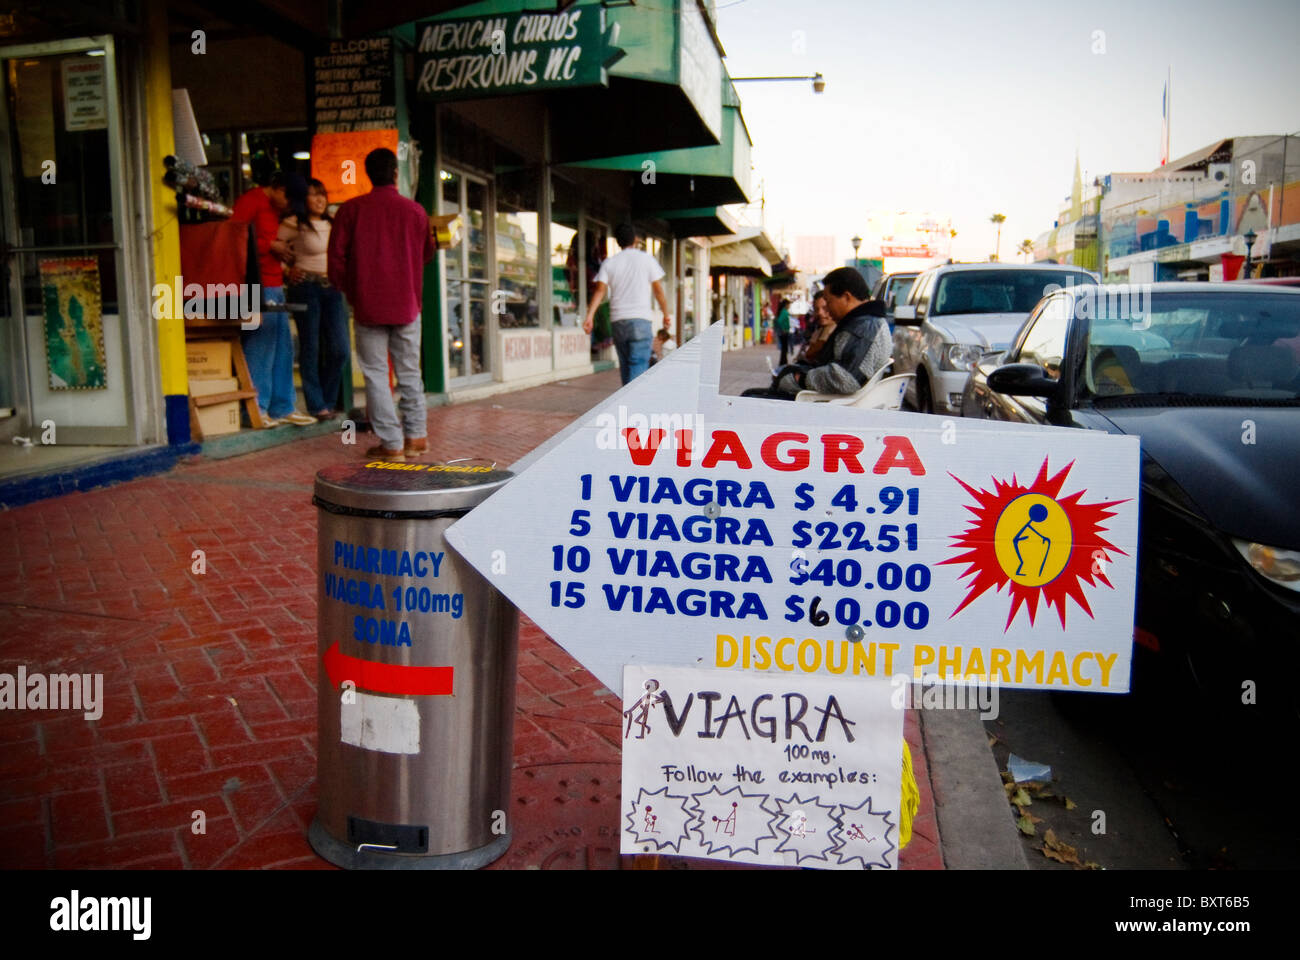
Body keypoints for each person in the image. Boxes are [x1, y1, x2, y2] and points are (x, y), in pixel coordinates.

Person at [327, 148, 436, 461]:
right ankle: (417, 437)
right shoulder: (415, 212)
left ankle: (392, 444)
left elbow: (336, 258)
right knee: (409, 372)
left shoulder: (350, 210)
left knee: (376, 374)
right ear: (395, 174)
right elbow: (426, 253)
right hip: (406, 304)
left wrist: (348, 289)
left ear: (367, 174)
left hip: (368, 305)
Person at [231, 171, 316, 427]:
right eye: (287, 200)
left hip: (275, 282)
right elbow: (233, 238)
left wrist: (284, 259)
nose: (288, 207)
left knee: (283, 348)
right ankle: (257, 408)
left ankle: (283, 406)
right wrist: (270, 247)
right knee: (261, 346)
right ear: (277, 188)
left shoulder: (273, 210)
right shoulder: (251, 201)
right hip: (255, 286)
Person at [741, 266, 891, 400]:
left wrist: (801, 378)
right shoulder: (865, 322)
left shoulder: (864, 327)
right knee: (753, 394)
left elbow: (846, 379)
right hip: (830, 399)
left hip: (827, 403)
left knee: (750, 398)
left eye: (828, 301)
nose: (827, 308)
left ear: (846, 297)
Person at [280, 178, 347, 419]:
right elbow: (272, 250)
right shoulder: (293, 223)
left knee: (340, 349)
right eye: (313, 194)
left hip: (333, 288)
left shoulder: (335, 223)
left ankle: (328, 400)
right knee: (311, 346)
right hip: (306, 286)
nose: (320, 199)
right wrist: (287, 271)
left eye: (322, 194)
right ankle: (317, 405)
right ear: (302, 199)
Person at [582, 223, 672, 385]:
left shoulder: (609, 263)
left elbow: (600, 291)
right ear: (635, 239)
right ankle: (631, 407)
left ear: (617, 241)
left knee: (626, 368)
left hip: (618, 322)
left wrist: (589, 316)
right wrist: (666, 314)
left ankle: (627, 405)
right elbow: (658, 291)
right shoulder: (646, 259)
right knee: (637, 367)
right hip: (640, 321)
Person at [797, 291, 835, 364]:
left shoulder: (839, 332)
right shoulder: (818, 331)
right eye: (816, 309)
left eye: (825, 308)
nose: (820, 313)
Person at [774, 298, 792, 365]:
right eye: (789, 304)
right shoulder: (784, 312)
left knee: (784, 348)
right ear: (786, 305)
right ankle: (783, 362)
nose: (789, 306)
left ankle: (783, 361)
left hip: (784, 332)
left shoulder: (783, 311)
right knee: (785, 349)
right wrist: (783, 329)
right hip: (784, 333)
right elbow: (779, 321)